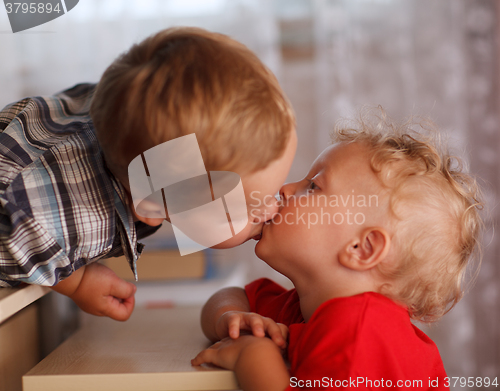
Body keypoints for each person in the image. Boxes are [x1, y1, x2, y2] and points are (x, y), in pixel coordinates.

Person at [0, 27, 297, 321]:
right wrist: (77, 282)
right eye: (239, 210)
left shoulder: (125, 111)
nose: (271, 208)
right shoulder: (69, 219)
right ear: (152, 206)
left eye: (270, 192)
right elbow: (17, 236)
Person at [192, 110, 483, 391]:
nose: (286, 188)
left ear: (362, 248)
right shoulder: (309, 307)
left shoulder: (360, 331)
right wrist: (231, 319)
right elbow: (230, 297)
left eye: (314, 186)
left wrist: (253, 357)